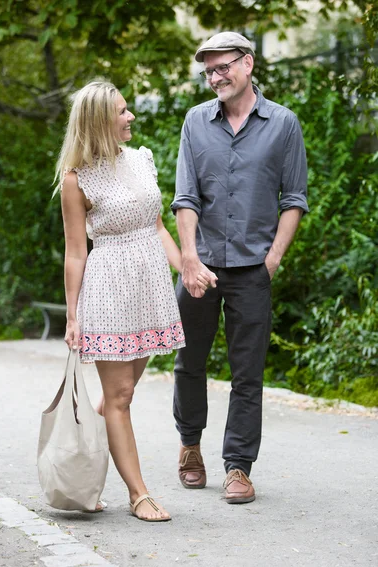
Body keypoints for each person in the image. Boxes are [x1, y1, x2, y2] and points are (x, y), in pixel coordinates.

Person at [171, 32, 309, 504]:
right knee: (189, 363)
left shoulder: (284, 124)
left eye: (222, 66)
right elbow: (185, 196)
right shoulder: (195, 122)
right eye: (208, 70)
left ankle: (238, 467)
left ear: (247, 64)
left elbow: (294, 199)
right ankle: (190, 447)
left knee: (247, 373)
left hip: (253, 269)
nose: (215, 77)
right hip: (199, 265)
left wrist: (271, 260)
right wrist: (188, 257)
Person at [55, 80, 192, 521]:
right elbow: (76, 251)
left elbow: (156, 227)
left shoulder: (142, 159)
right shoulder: (76, 179)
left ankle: (81, 474)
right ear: (99, 122)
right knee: (119, 395)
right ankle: (139, 493)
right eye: (122, 111)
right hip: (109, 287)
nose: (130, 117)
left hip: (149, 286)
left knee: (121, 394)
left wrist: (186, 269)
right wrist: (73, 315)